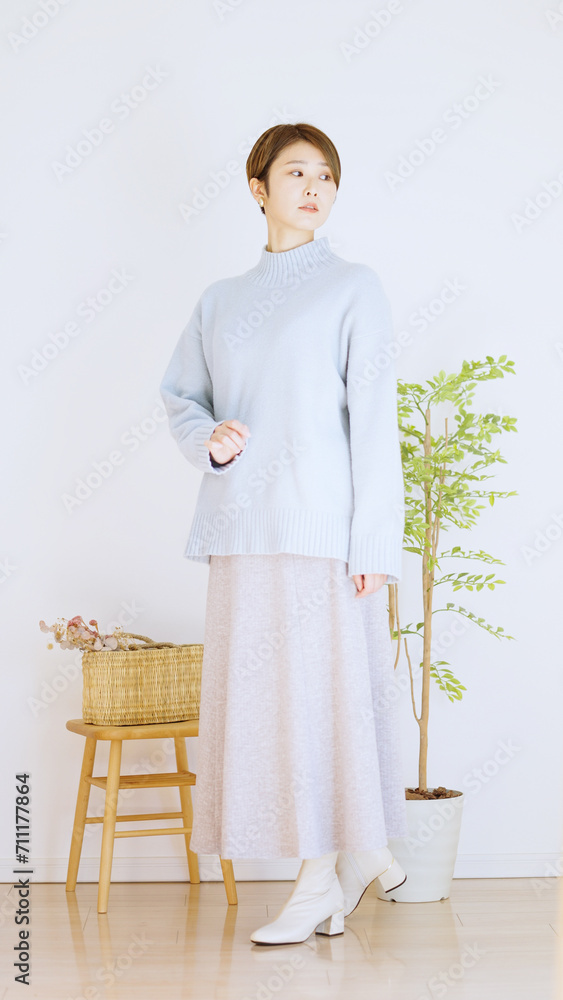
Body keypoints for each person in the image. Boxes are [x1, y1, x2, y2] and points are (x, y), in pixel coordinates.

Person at [159, 122, 408, 946]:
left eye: (326, 175)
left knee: (318, 707)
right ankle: (351, 862)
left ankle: (316, 881)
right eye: (296, 172)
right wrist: (208, 440)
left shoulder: (353, 287)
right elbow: (181, 396)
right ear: (257, 187)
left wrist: (375, 545)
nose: (313, 187)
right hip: (239, 530)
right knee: (265, 712)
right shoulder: (218, 301)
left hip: (324, 537)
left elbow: (375, 424)